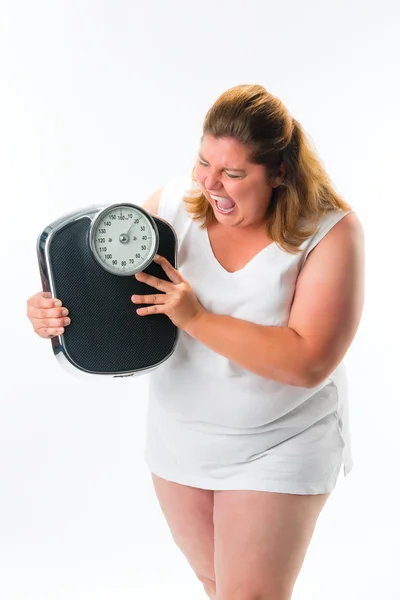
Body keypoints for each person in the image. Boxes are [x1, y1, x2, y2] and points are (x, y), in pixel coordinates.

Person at [27, 84, 365, 600]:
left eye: (233, 173)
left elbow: (308, 361)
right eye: (204, 162)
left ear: (279, 173)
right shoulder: (172, 205)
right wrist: (53, 311)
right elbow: (115, 294)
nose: (211, 183)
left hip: (279, 441)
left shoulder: (329, 233)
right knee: (216, 586)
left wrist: (196, 317)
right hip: (180, 437)